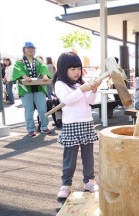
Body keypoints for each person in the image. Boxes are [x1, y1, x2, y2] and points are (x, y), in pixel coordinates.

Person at [53, 52, 100, 200]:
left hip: (86, 123)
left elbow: (90, 102)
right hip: (71, 125)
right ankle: (66, 184)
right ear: (63, 69)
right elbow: (68, 100)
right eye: (72, 68)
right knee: (70, 158)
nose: (76, 72)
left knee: (88, 157)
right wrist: (83, 89)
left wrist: (93, 90)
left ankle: (89, 181)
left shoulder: (81, 84)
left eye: (78, 68)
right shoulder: (60, 84)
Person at [12, 42, 52, 137]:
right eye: (28, 48)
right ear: (24, 49)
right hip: (26, 88)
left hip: (39, 87)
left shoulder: (38, 60)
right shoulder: (20, 61)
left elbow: (43, 68)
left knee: (42, 108)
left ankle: (44, 127)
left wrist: (45, 75)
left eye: (32, 48)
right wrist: (24, 76)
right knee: (29, 109)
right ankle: (30, 129)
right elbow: (18, 70)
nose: (31, 50)